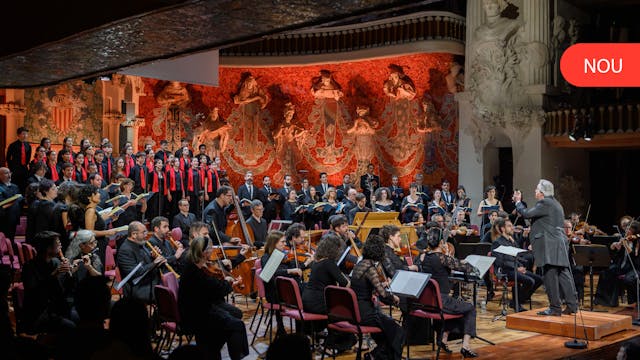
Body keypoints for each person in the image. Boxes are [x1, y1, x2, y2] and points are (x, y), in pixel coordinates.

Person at [514, 179, 578, 316]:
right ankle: (572, 305)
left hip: (549, 245)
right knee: (563, 274)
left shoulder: (545, 203)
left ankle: (555, 308)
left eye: (537, 190)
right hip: (559, 243)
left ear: (542, 193)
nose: (535, 192)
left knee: (550, 275)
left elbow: (526, 214)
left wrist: (518, 202)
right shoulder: (557, 204)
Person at [178, 236, 249, 360]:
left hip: (200, 308)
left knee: (231, 320)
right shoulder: (196, 272)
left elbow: (211, 287)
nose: (212, 250)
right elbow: (217, 290)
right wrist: (228, 282)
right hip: (196, 314)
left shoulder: (194, 266)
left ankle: (212, 350)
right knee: (237, 325)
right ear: (204, 252)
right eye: (210, 248)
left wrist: (225, 280)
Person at [415, 228, 478, 358]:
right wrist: (465, 262)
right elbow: (467, 268)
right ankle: (465, 346)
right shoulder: (443, 258)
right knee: (470, 309)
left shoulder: (424, 257)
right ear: (442, 242)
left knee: (455, 308)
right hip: (441, 301)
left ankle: (443, 340)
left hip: (428, 302)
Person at [350, 234, 404, 360]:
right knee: (397, 332)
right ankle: (377, 356)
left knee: (386, 335)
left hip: (355, 310)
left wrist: (380, 284)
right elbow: (383, 294)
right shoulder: (370, 268)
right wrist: (394, 298)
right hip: (366, 313)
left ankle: (374, 355)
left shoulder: (360, 264)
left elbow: (364, 286)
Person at [21, 231, 75, 334]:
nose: (60, 246)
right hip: (38, 314)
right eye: (57, 243)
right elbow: (35, 294)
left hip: (57, 308)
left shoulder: (56, 262)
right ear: (47, 248)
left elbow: (64, 291)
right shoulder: (29, 268)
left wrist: (71, 273)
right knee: (71, 327)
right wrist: (54, 275)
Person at [490, 218, 542, 312]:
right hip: (505, 271)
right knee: (530, 281)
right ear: (502, 229)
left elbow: (517, 255)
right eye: (509, 226)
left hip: (514, 269)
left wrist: (520, 266)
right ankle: (516, 302)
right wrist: (516, 268)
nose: (512, 228)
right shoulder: (498, 243)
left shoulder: (511, 241)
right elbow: (500, 262)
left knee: (539, 279)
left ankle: (519, 300)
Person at [260, 231, 303, 335]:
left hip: (283, 291)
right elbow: (270, 275)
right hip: (274, 294)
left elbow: (290, 268)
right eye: (282, 242)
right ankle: (301, 332)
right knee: (304, 298)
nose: (285, 244)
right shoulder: (266, 257)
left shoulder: (281, 256)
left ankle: (302, 331)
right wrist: (289, 271)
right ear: (274, 243)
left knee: (304, 293)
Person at [116, 221, 166, 303]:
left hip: (151, 281)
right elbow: (134, 274)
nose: (146, 235)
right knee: (168, 295)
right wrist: (154, 263)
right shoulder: (125, 250)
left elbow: (147, 264)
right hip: (137, 288)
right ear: (134, 234)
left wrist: (154, 257)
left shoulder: (141, 244)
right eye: (143, 232)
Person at [0, 167, 23, 242]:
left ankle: (11, 252)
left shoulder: (15, 186)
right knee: (5, 239)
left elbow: (20, 197)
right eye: (6, 173)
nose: (9, 175)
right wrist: (14, 199)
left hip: (15, 216)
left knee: (11, 238)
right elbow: (1, 201)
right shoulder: (0, 187)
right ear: (0, 175)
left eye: (10, 173)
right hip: (4, 217)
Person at [6, 126, 31, 193]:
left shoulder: (28, 145)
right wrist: (11, 168)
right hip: (15, 168)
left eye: (26, 134)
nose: (25, 135)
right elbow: (8, 158)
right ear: (18, 135)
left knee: (24, 185)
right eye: (23, 133)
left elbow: (28, 157)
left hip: (24, 168)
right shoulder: (13, 145)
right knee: (16, 185)